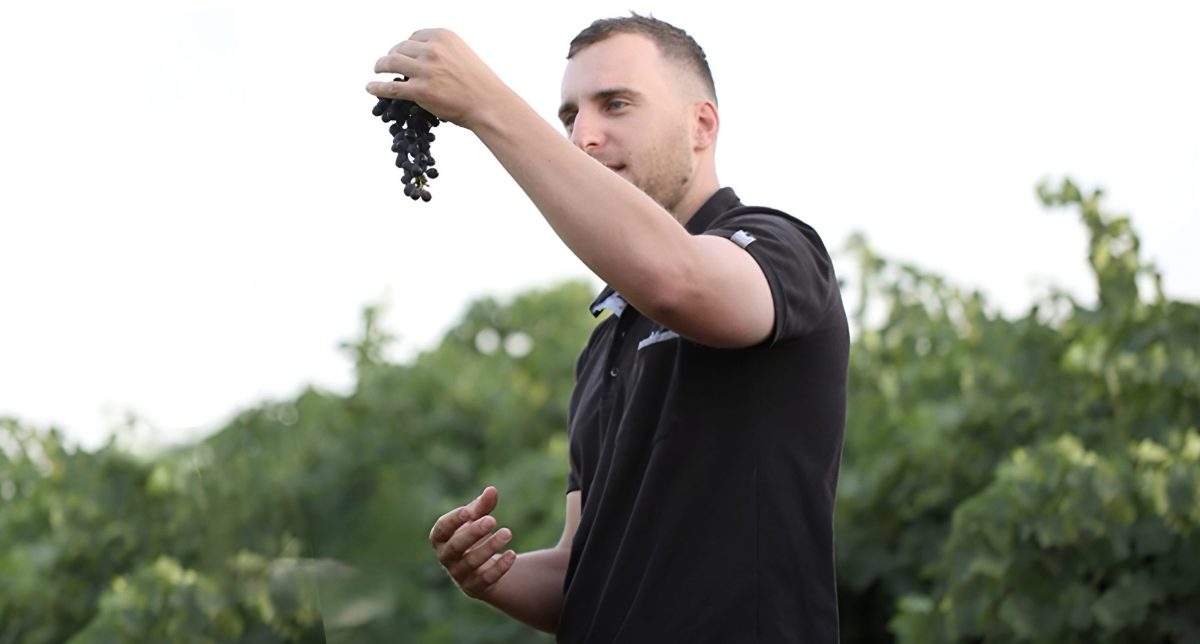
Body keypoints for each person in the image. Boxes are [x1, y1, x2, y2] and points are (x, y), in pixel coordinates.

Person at [367, 14, 848, 643]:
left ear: (702, 124)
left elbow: (681, 280)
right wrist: (493, 577)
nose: (583, 136)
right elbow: (580, 570)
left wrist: (488, 104)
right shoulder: (603, 342)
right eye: (569, 116)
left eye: (615, 104)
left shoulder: (779, 249)